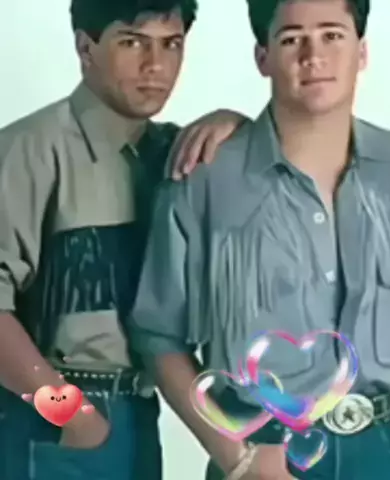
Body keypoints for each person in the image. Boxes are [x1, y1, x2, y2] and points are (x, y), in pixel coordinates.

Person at [129, 0, 390, 479]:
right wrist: (238, 458)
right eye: (292, 39)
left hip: (382, 451)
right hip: (258, 449)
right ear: (263, 57)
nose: (313, 56)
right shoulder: (203, 179)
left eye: (332, 35)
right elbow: (157, 333)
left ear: (361, 51)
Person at [0, 1, 249, 479]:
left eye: (171, 44)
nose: (155, 65)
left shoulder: (179, 156)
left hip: (141, 411)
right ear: (85, 47)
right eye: (132, 42)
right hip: (50, 420)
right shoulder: (27, 150)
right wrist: (70, 414)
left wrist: (235, 122)